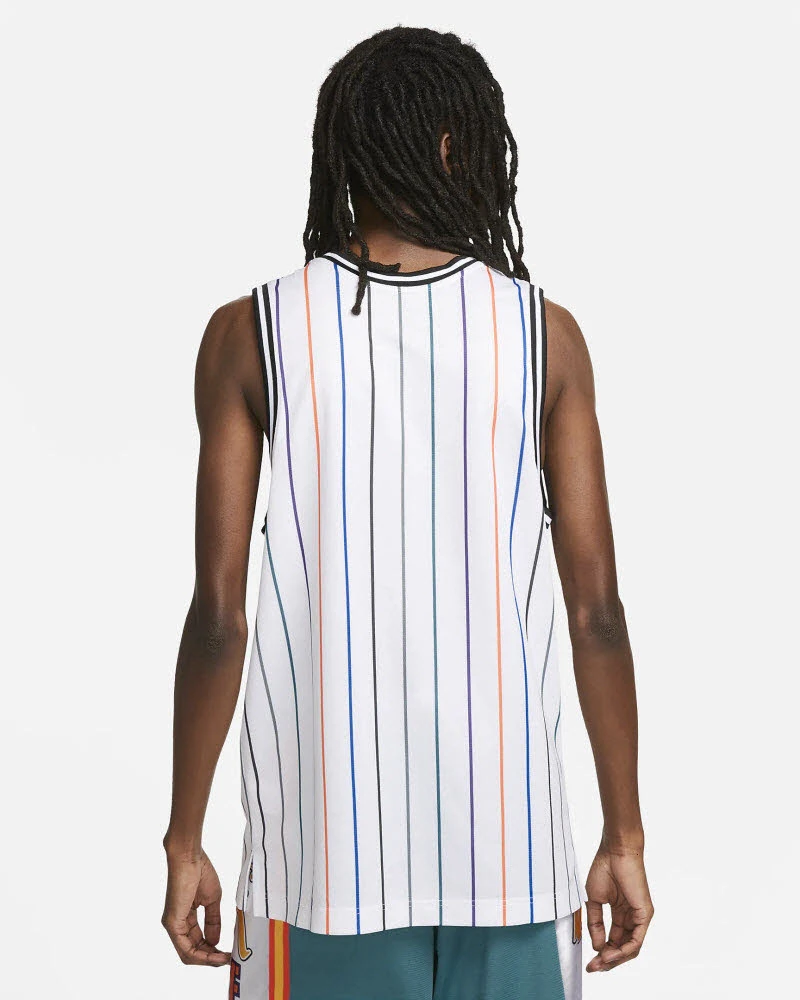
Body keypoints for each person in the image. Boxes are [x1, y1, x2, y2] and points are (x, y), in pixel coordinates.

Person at [161, 26, 653, 1000]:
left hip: (317, 861)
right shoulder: (543, 337)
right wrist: (623, 833)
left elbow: (219, 616)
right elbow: (595, 611)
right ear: (461, 146)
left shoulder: (252, 333)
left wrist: (184, 838)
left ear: (342, 151)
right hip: (511, 851)